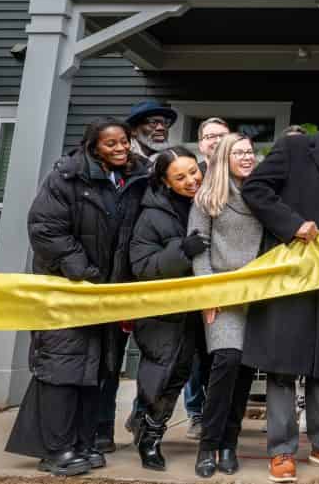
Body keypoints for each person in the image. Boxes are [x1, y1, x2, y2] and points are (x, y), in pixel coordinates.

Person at [6, 118, 150, 476]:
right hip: (68, 290)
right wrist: (81, 270)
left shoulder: (135, 180)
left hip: (106, 294)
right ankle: (55, 450)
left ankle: (82, 443)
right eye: (110, 144)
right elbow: (45, 227)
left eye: (124, 142)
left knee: (95, 371)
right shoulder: (66, 178)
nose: (120, 149)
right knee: (62, 368)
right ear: (92, 147)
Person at [241, 95, 319, 481]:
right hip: (289, 276)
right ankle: (281, 451)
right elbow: (256, 191)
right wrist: (293, 224)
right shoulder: (295, 148)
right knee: (283, 366)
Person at [127, 146, 207, 470]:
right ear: (165, 181)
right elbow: (142, 265)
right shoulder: (151, 215)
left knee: (183, 375)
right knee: (162, 377)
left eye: (193, 172)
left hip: (200, 309)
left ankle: (148, 427)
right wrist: (182, 251)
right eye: (180, 177)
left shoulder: (207, 204)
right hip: (164, 314)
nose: (191, 181)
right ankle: (149, 439)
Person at [188, 134, 261, 478]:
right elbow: (199, 251)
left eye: (250, 152)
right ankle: (208, 445)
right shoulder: (207, 198)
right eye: (240, 152)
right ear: (224, 158)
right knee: (226, 360)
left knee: (245, 369)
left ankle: (229, 444)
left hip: (256, 294)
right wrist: (208, 294)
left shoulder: (262, 193)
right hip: (220, 294)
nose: (247, 157)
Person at [182, 116, 230, 440]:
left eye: (220, 136)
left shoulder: (240, 174)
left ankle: (219, 413)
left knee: (221, 351)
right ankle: (196, 413)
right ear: (201, 144)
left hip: (229, 276)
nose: (214, 141)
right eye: (209, 136)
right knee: (195, 352)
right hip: (192, 273)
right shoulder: (191, 176)